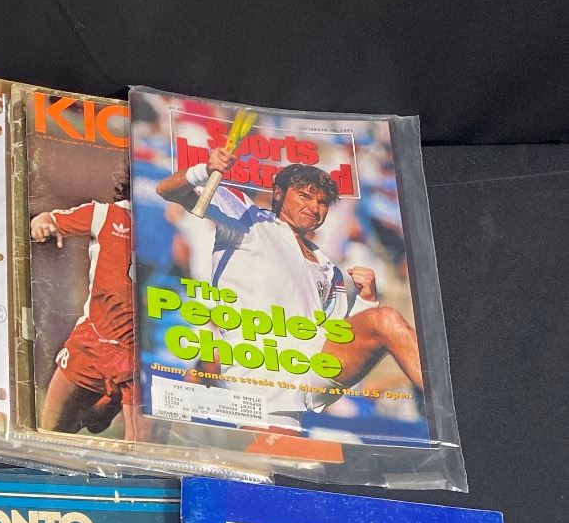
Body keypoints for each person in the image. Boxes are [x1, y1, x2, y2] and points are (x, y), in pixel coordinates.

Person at [155, 148, 424, 430]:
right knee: (270, 456)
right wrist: (204, 171)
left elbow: (337, 333)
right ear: (278, 194)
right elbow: (166, 190)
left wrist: (366, 302)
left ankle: (441, 402)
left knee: (385, 320)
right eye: (305, 196)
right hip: (261, 376)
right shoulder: (248, 217)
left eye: (322, 202)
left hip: (314, 367)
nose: (314, 207)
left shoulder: (328, 266)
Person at [29, 175, 136, 437]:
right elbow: (47, 219)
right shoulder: (106, 214)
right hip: (91, 343)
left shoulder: (178, 226)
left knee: (140, 449)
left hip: (137, 360)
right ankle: (98, 408)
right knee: (51, 431)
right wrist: (42, 225)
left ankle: (105, 405)